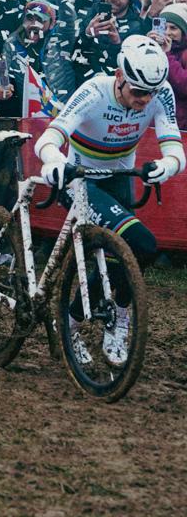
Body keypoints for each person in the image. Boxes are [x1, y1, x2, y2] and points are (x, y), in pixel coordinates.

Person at [35, 35, 184, 363]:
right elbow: (49, 136)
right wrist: (55, 162)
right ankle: (72, 322)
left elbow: (174, 147)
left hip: (118, 178)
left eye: (151, 92)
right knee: (141, 243)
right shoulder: (94, 91)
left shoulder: (160, 93)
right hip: (78, 178)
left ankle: (116, 315)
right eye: (138, 92)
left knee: (127, 252)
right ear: (119, 77)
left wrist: (166, 165)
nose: (145, 100)